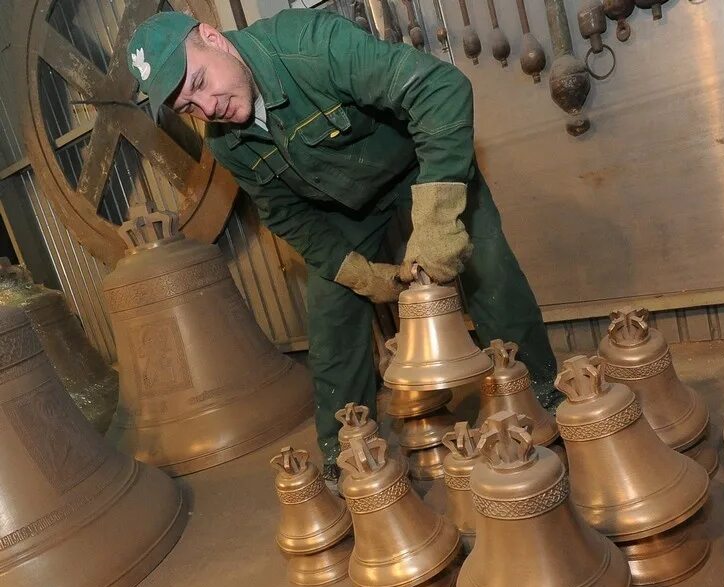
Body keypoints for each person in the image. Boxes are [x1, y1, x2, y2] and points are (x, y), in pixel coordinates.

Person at [126, 9, 558, 477]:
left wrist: (436, 222)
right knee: (330, 310)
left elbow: (441, 88)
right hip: (347, 207)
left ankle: (539, 394)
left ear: (214, 38)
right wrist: (359, 273)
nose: (207, 107)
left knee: (487, 264)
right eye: (187, 106)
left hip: (422, 161)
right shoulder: (228, 144)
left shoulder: (309, 45)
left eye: (201, 82)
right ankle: (348, 456)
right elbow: (285, 214)